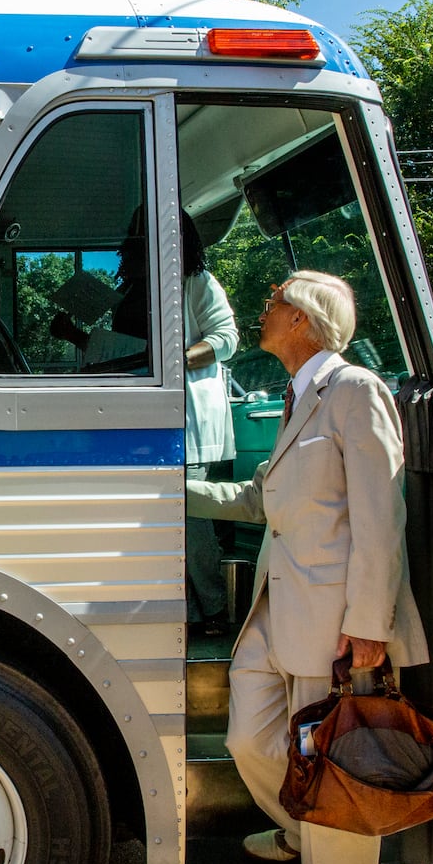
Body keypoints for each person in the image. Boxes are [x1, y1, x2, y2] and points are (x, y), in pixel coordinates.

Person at [187, 271, 429, 864]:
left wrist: (370, 624)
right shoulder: (296, 397)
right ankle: (299, 830)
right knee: (250, 739)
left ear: (302, 319)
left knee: (335, 764)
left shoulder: (355, 391)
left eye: (272, 302)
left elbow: (382, 515)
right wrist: (164, 489)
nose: (262, 311)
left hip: (334, 622)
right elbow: (256, 498)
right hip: (277, 612)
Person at [178, 212, 239, 636]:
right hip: (152, 419)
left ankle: (216, 610)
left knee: (192, 519)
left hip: (189, 418)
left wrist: (174, 360)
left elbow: (227, 338)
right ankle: (193, 614)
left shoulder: (198, 282)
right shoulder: (140, 289)